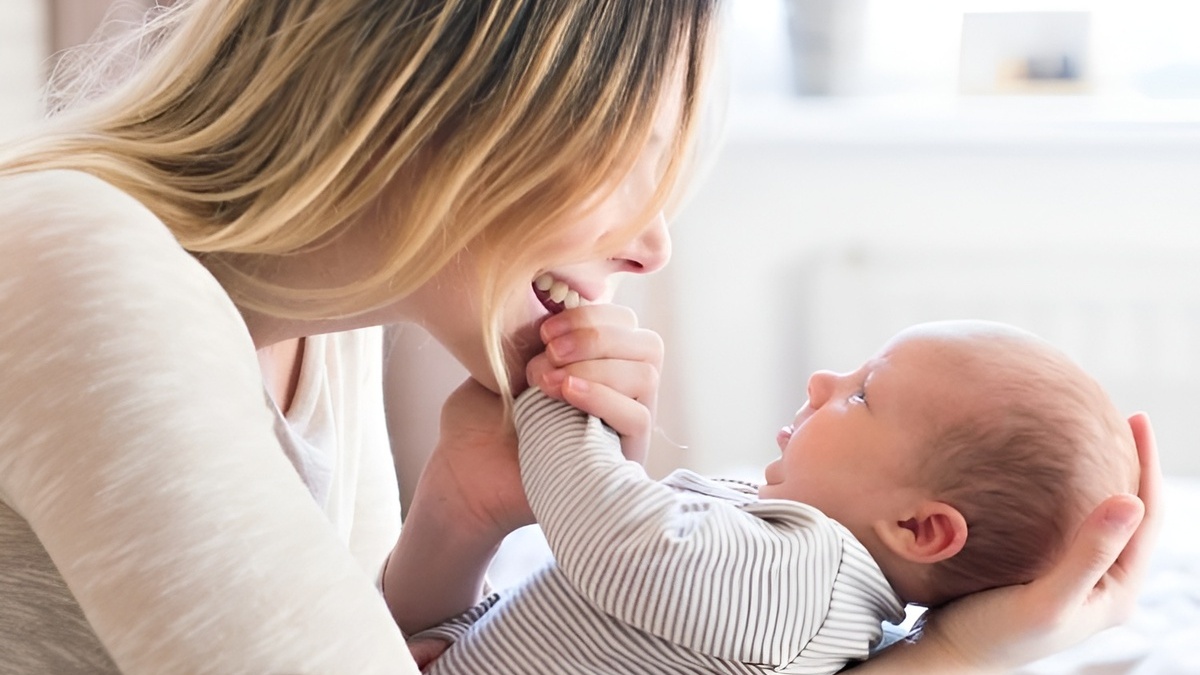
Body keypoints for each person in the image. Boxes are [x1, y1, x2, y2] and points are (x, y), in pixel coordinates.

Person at [0, 1, 1159, 674]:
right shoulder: (78, 259)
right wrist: (951, 662)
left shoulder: (318, 327)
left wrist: (456, 518)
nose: (653, 249)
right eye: (631, 169)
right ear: (449, 120)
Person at [407, 320, 1141, 674]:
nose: (823, 381)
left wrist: (559, 402)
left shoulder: (806, 578)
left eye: (862, 394)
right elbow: (585, 608)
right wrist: (473, 633)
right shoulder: (785, 545)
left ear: (918, 526)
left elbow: (623, 543)